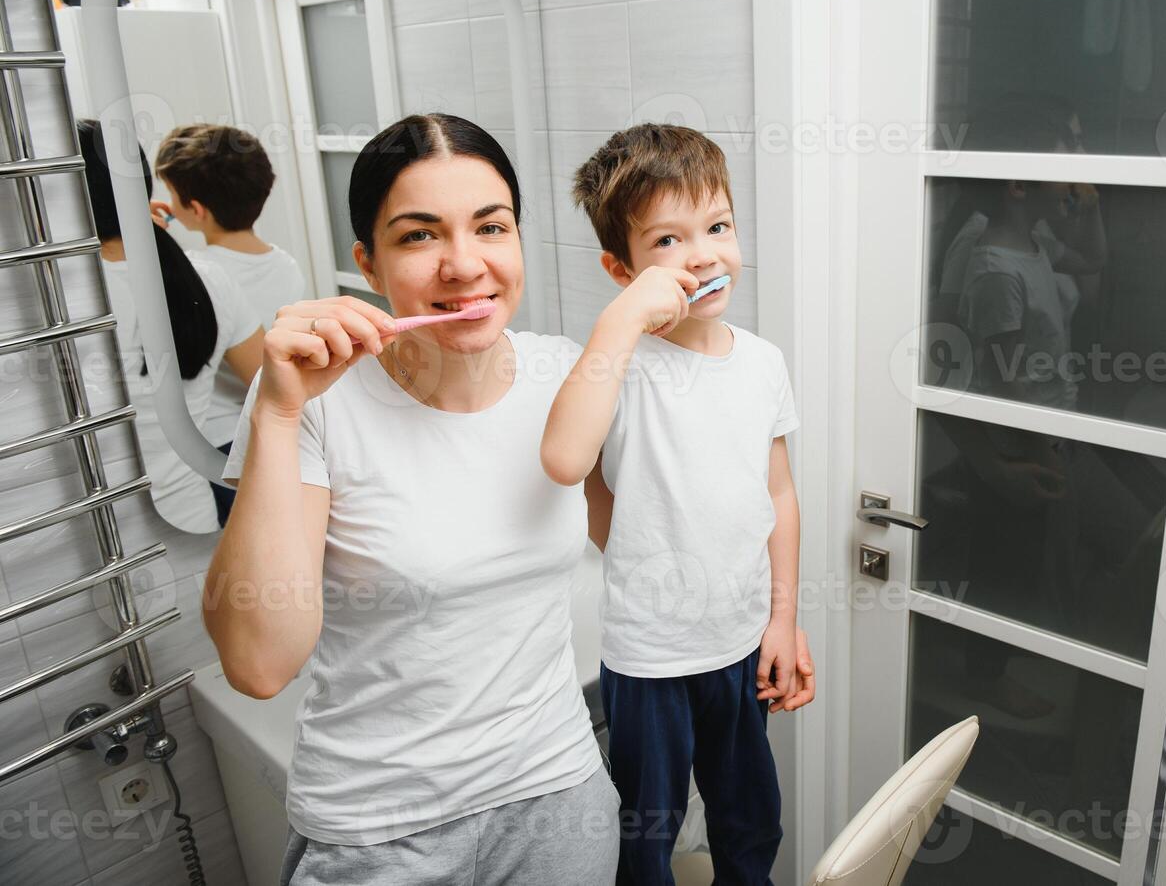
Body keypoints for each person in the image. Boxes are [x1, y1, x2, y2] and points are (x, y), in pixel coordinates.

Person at [203, 114, 814, 886]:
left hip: (562, 805)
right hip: (383, 829)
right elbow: (259, 665)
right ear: (368, 260)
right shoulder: (318, 399)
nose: (465, 264)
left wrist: (771, 621)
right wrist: (279, 414)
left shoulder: (571, 374)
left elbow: (671, 516)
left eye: (491, 227)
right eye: (420, 236)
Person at [541, 123, 808, 885]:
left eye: (718, 226)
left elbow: (779, 495)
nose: (704, 254)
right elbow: (574, 467)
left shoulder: (762, 364)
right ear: (619, 268)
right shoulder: (618, 366)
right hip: (650, 657)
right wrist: (634, 552)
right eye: (668, 240)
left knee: (750, 818)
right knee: (645, 836)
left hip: (742, 640)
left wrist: (783, 619)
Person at [79, 119, 263, 534]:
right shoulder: (207, 277)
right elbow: (268, 384)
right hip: (192, 522)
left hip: (95, 539)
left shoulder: (55, 307)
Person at [151, 123, 306, 526]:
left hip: (220, 442)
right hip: (276, 435)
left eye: (171, 193)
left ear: (197, 210)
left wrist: (157, 244)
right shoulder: (285, 264)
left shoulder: (200, 276)